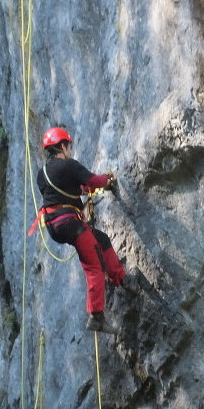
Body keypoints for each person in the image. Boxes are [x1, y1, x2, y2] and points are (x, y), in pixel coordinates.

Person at [34, 127, 127, 334]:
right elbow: (93, 181)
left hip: (53, 226)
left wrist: (88, 189)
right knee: (94, 265)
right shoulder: (69, 165)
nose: (70, 151)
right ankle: (96, 316)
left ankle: (121, 278)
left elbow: (71, 189)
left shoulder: (43, 175)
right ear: (63, 146)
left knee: (100, 239)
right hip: (69, 223)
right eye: (69, 146)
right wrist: (107, 181)